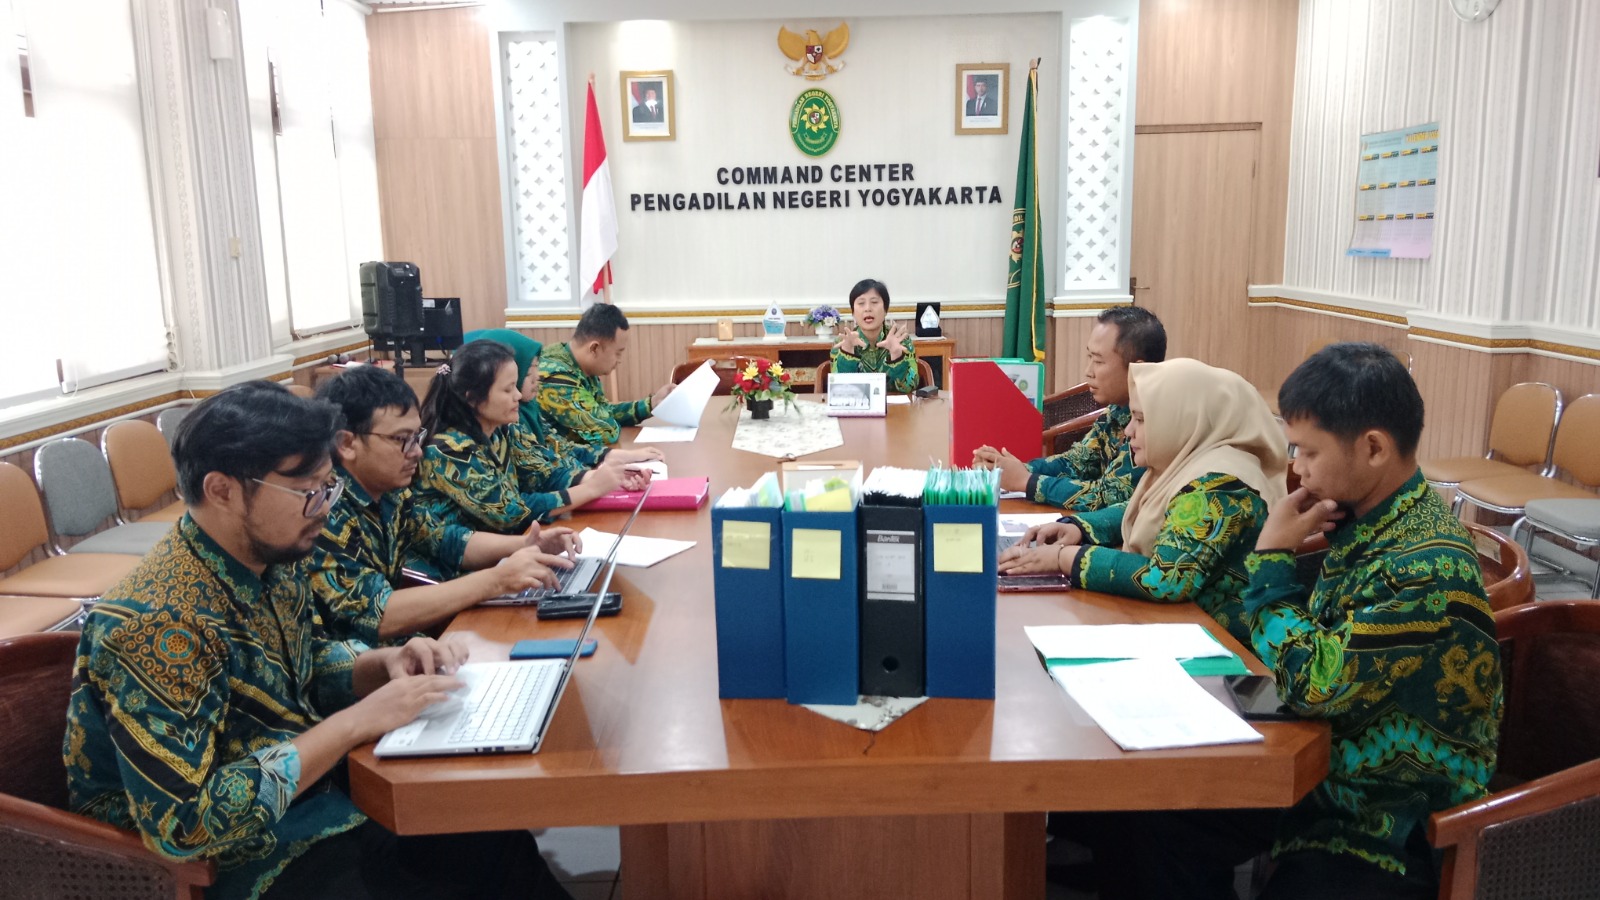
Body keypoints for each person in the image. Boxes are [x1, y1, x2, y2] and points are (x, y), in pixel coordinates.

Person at [63, 381, 571, 900]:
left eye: (329, 489)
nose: (325, 509)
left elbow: (302, 664)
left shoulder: (271, 561)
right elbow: (186, 827)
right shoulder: (156, 624)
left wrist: (383, 664)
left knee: (488, 835)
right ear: (222, 490)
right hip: (233, 862)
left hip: (314, 803)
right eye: (309, 493)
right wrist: (356, 723)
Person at [1064, 344, 1502, 900]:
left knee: (1170, 823)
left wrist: (1271, 561)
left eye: (1308, 451)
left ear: (1373, 448)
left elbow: (1318, 684)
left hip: (1379, 818)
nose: (1296, 469)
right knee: (1152, 820)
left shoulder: (1425, 568)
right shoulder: (1370, 520)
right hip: (1317, 760)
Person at [998, 358, 1286, 644]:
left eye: (1142, 419)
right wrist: (1079, 527)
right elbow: (1148, 509)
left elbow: (1166, 579)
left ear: (1182, 418)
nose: (1128, 431)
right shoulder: (1188, 462)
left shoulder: (1220, 486)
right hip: (1178, 627)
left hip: (1227, 652)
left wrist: (1064, 558)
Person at [308, 365, 583, 647]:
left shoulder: (390, 493)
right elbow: (377, 613)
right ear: (347, 444)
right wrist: (497, 580)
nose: (416, 451)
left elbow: (445, 539)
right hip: (361, 669)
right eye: (401, 439)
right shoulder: (322, 509)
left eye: (417, 437)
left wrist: (526, 545)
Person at [416, 339, 646, 535]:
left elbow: (542, 475)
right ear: (472, 398)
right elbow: (510, 512)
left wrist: (607, 478)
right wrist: (592, 488)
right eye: (507, 390)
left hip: (509, 549)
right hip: (459, 571)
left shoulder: (502, 429)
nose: (518, 395)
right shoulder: (450, 450)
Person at [975, 305, 1166, 511]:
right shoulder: (1118, 410)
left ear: (1137, 369)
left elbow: (1107, 497)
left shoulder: (1152, 424)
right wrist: (1011, 469)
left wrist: (1027, 481)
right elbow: (1077, 462)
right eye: (1089, 358)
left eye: (1099, 361)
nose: (1088, 371)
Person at [465, 327, 663, 471]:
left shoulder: (527, 406)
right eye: (528, 372)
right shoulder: (554, 377)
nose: (538, 377)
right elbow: (605, 430)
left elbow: (559, 446)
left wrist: (649, 405)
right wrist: (595, 477)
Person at [538, 303, 676, 450]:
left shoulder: (579, 364)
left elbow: (603, 411)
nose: (619, 360)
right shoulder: (557, 378)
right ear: (594, 348)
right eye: (618, 353)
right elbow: (605, 431)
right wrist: (604, 418)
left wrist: (651, 404)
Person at [830, 278, 919, 393]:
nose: (868, 308)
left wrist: (897, 356)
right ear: (853, 312)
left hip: (896, 409)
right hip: (857, 408)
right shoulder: (842, 342)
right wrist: (847, 354)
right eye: (861, 303)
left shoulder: (901, 340)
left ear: (885, 310)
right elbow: (839, 390)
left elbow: (909, 387)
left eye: (874, 302)